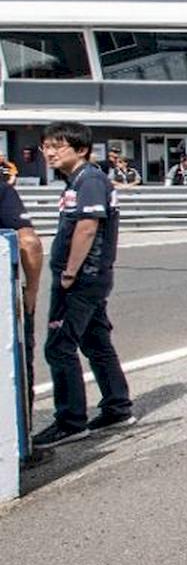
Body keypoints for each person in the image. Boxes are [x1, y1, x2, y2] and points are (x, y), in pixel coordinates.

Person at [34, 122, 134, 449]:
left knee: (59, 346)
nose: (49, 152)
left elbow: (88, 227)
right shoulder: (79, 179)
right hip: (91, 276)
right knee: (95, 341)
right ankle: (117, 406)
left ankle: (70, 421)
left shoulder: (89, 179)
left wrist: (69, 273)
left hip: (82, 278)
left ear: (80, 150)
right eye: (46, 146)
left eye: (57, 146)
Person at [0, 167, 44, 414]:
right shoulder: (3, 191)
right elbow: (29, 243)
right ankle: (22, 439)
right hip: (4, 301)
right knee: (15, 368)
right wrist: (31, 291)